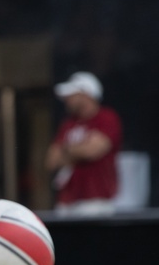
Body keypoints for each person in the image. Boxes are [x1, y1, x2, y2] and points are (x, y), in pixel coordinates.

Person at [45, 71, 122, 216]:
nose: (67, 100)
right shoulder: (68, 124)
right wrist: (82, 147)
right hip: (66, 201)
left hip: (96, 202)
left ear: (86, 94)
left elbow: (93, 151)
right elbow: (52, 160)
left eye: (72, 95)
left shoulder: (106, 118)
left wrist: (66, 150)